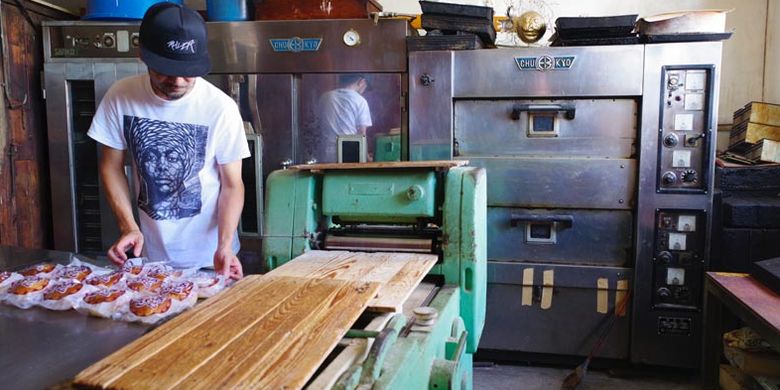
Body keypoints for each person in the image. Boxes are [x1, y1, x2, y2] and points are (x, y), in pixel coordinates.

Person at [88, 3, 249, 280]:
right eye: (164, 69)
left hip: (213, 258)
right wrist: (128, 226)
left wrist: (223, 245)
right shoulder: (120, 96)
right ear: (143, 55)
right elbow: (110, 167)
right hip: (150, 257)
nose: (177, 81)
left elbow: (232, 185)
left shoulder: (220, 108)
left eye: (188, 70)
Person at [317, 74, 372, 161]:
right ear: (362, 82)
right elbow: (362, 133)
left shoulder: (325, 97)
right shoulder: (360, 101)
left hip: (325, 155)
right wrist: (366, 157)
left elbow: (317, 125)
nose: (364, 91)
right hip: (348, 154)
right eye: (365, 87)